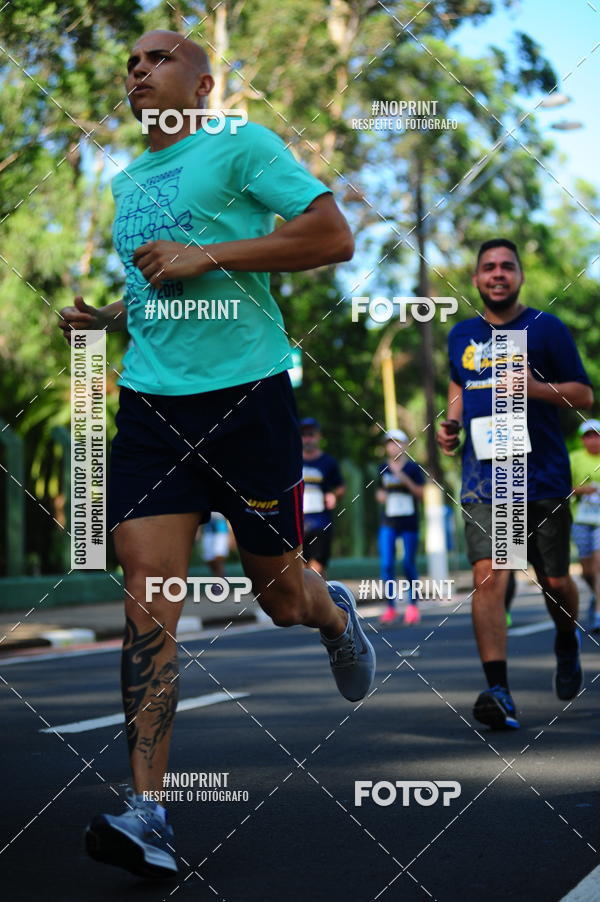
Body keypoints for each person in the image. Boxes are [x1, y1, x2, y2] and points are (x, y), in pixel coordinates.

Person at [58, 30, 375, 879]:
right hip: (151, 406)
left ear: (202, 85)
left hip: (247, 402)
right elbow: (157, 285)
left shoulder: (241, 145)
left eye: (159, 58)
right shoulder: (129, 182)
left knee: (280, 598)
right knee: (148, 595)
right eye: (132, 62)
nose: (138, 68)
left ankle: (333, 616)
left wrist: (209, 255)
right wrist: (107, 319)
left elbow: (332, 237)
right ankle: (148, 813)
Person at [436, 238, 593, 730]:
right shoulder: (462, 334)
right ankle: (498, 691)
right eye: (489, 267)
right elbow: (458, 383)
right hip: (486, 479)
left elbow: (583, 395)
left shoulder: (546, 328)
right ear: (477, 279)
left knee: (555, 581)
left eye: (507, 266)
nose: (498, 273)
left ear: (520, 276)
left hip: (541, 475)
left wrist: (534, 388)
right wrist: (450, 422)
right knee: (490, 574)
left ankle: (565, 639)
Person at [376, 429, 426, 626]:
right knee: (387, 564)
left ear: (405, 445)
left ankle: (413, 606)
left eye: (397, 442)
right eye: (389, 442)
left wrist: (404, 479)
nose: (392, 446)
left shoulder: (413, 468)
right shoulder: (382, 467)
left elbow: (421, 493)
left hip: (409, 522)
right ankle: (391, 608)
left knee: (408, 563)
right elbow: (379, 491)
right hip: (388, 521)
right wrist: (380, 496)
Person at [300, 417, 345, 577]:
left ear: (319, 436)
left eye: (311, 434)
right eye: (304, 435)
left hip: (321, 522)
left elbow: (340, 486)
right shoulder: (293, 462)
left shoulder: (328, 462)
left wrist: (334, 495)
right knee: (300, 569)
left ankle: (318, 591)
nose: (308, 439)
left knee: (316, 569)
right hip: (297, 523)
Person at [570, 419, 600, 633]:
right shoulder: (574, 459)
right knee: (588, 571)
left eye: (596, 434)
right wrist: (584, 490)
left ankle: (598, 614)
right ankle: (596, 595)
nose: (593, 439)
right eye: (588, 435)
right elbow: (563, 487)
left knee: (599, 564)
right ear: (582, 439)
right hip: (580, 519)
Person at [199, 512, 231, 579]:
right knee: (209, 560)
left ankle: (222, 580)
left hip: (221, 530)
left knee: (218, 557)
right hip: (207, 530)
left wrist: (231, 533)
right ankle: (219, 578)